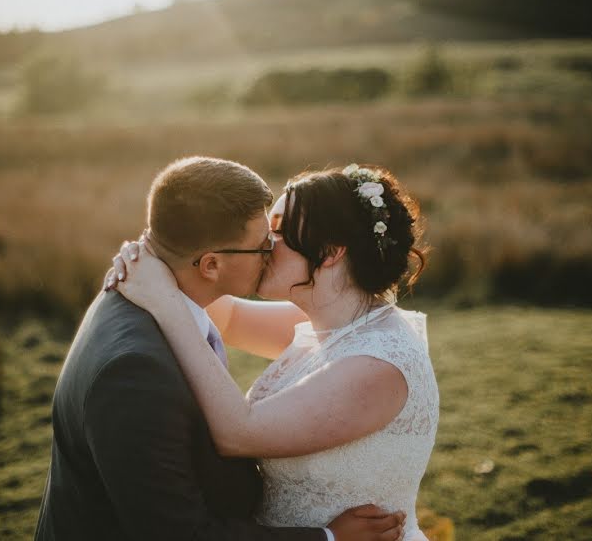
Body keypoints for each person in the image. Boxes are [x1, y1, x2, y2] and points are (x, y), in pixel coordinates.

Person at [34, 156, 406, 541]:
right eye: (263, 245)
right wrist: (329, 539)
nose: (272, 252)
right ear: (210, 265)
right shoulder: (133, 372)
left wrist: (154, 269)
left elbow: (227, 317)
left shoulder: (158, 296)